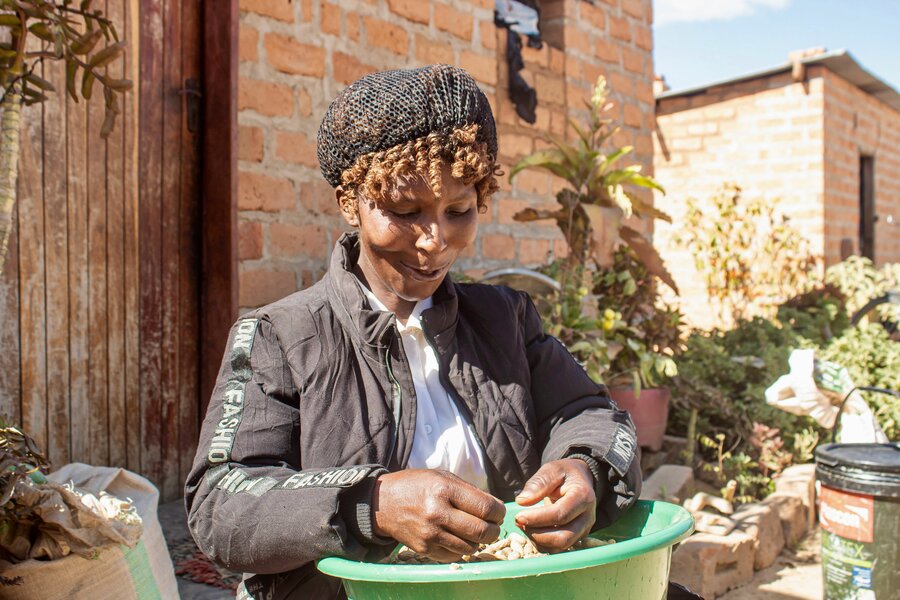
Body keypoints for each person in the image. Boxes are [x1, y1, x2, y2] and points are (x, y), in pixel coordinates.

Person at [185, 64, 641, 600]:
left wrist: (583, 466)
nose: (434, 241)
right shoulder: (278, 337)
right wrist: (369, 505)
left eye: (459, 210)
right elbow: (219, 501)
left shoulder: (506, 320)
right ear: (350, 202)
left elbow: (588, 412)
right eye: (404, 211)